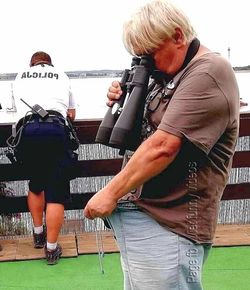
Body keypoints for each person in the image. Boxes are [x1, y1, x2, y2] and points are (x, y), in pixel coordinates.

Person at [84, 0, 240, 289]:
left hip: (173, 224)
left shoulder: (207, 71)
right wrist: (128, 98)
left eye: (150, 53)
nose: (148, 62)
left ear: (178, 36)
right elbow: (143, 133)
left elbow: (163, 145)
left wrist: (110, 192)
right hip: (148, 216)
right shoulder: (169, 74)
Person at [12, 51, 76, 265]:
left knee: (36, 185)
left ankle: (38, 233)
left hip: (28, 134)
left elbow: (16, 111)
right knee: (56, 193)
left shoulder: (21, 76)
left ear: (31, 64)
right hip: (56, 132)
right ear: (50, 64)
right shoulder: (61, 75)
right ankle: (50, 249)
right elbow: (71, 114)